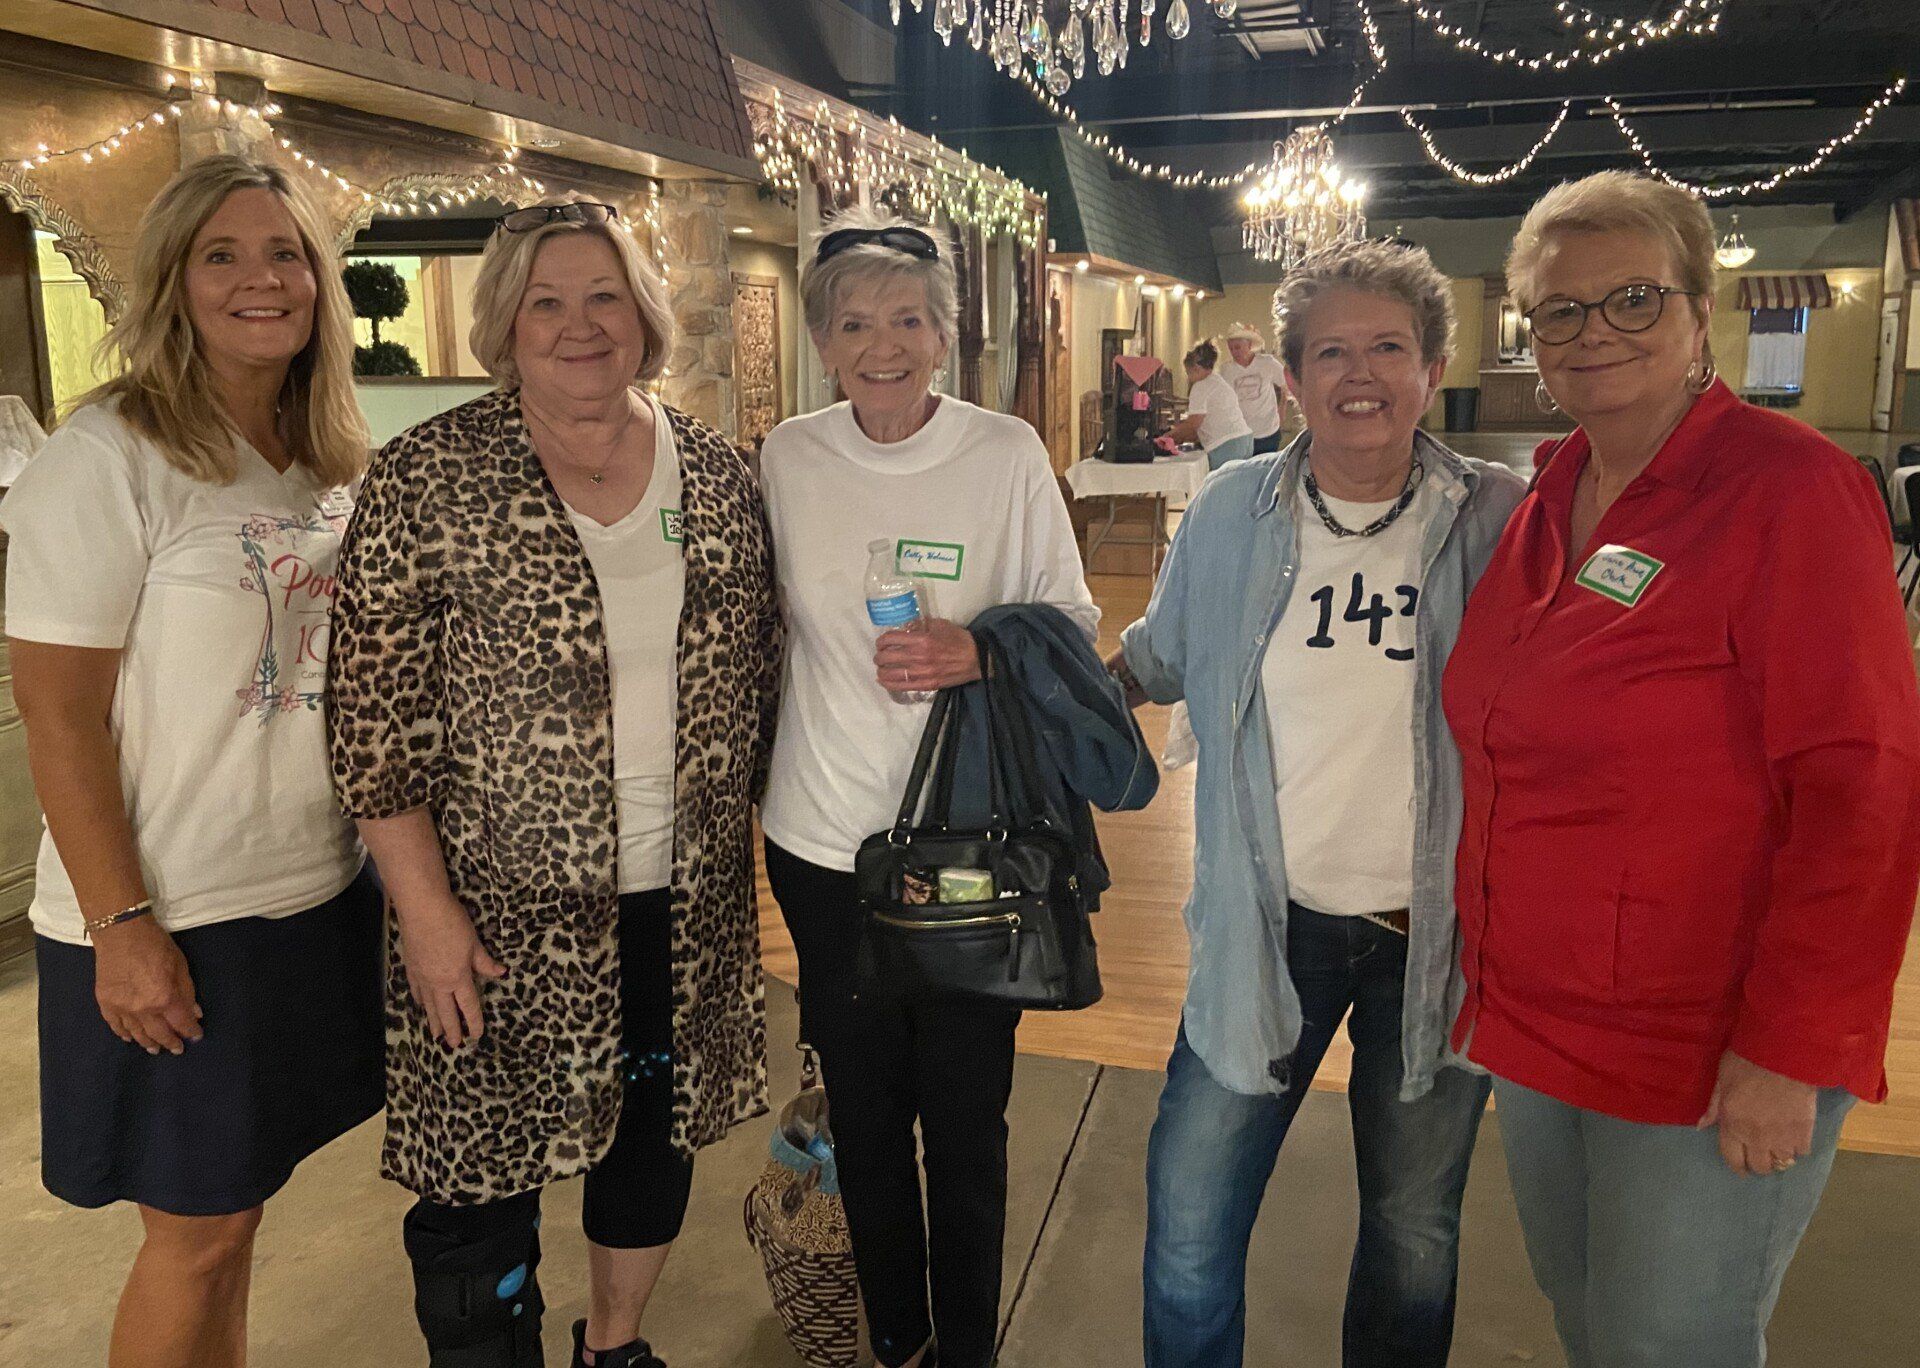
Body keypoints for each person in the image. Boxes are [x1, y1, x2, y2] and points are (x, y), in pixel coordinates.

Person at [1442, 170, 1920, 1368]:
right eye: (1559, 311)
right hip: (1538, 1015)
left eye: (1632, 300)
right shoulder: (1548, 494)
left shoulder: (1788, 492)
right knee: (1588, 1317)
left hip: (1704, 1041)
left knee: (1673, 1346)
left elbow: (1863, 789)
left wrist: (1790, 1051)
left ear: (1702, 312)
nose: (1592, 332)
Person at [327, 199, 780, 1368]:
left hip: (681, 902)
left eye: (605, 297)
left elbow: (766, 668)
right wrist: (423, 914)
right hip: (487, 906)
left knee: (651, 1139)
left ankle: (612, 1343)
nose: (581, 326)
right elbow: (373, 723)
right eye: (547, 302)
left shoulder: (722, 472)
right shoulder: (429, 476)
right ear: (504, 326)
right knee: (480, 1169)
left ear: (644, 315)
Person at [1111, 239, 1526, 1368]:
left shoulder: (1502, 519)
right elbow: (1156, 660)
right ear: (1289, 378)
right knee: (1191, 1225)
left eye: (1388, 346)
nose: (1359, 372)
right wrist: (1013, 666)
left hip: (1434, 937)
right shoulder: (1234, 509)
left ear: (1431, 368)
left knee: (1413, 1234)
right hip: (1265, 927)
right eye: (1330, 349)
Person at [0, 155, 378, 1368]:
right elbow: (58, 715)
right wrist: (121, 922)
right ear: (172, 280)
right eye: (222, 254)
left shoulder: (321, 452)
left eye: (285, 255)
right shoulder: (106, 456)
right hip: (174, 906)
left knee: (235, 1214)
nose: (259, 279)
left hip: (303, 891)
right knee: (195, 1235)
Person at [758, 206, 1099, 1368]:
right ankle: (893, 1334)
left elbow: (1075, 618)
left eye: (908, 318)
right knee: (862, 1110)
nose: (883, 343)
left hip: (970, 847)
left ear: (946, 335)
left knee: (965, 1117)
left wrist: (981, 649)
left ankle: (965, 1346)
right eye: (855, 322)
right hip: (819, 842)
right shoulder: (788, 456)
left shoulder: (1001, 454)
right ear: (825, 340)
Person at [1166, 340, 1254, 470]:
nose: (1189, 378)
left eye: (1188, 373)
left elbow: (1193, 424)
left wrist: (1168, 437)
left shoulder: (1200, 386)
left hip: (1226, 444)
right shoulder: (1217, 381)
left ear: (1196, 369)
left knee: (1219, 485)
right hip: (1244, 439)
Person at [1217, 322, 1289, 454]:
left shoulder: (1267, 363)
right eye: (1231, 348)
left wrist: (1282, 409)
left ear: (1249, 345)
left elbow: (1286, 385)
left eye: (1237, 347)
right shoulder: (1226, 370)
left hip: (1268, 431)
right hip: (1241, 434)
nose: (1234, 352)